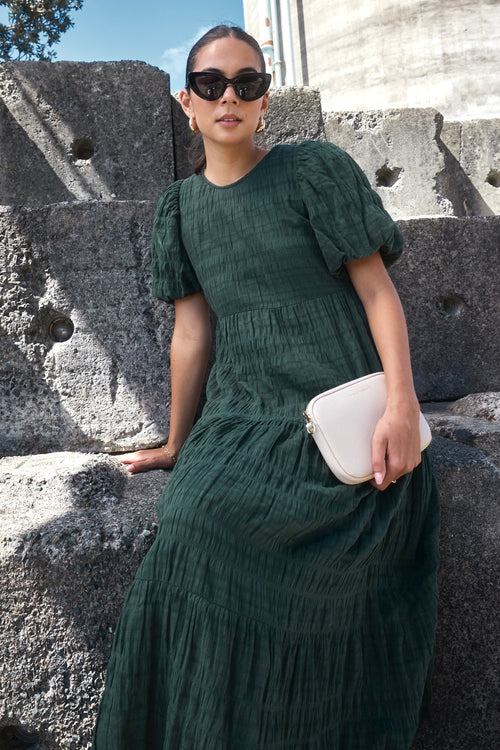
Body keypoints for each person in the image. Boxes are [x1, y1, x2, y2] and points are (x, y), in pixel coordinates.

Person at [92, 25, 440, 750]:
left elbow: (377, 292)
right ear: (187, 103)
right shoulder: (178, 211)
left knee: (324, 566)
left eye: (247, 83)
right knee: (192, 527)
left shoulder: (313, 171)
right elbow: (192, 336)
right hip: (242, 412)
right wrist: (177, 442)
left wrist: (403, 406)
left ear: (265, 99)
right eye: (212, 85)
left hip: (339, 407)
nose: (230, 97)